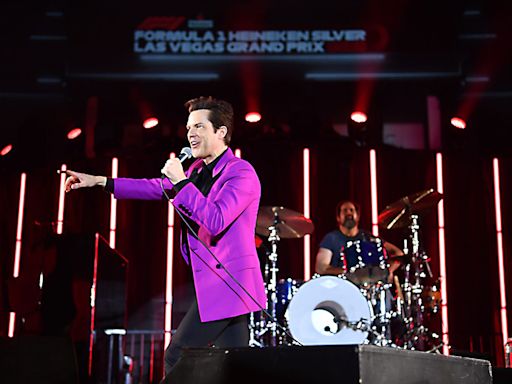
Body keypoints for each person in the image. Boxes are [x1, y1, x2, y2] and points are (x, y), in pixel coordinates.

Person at [64, 96, 267, 378]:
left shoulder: (241, 173)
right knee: (232, 367)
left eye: (199, 127)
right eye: (188, 128)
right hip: (214, 282)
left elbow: (216, 220)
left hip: (230, 283)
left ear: (221, 132)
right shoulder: (196, 170)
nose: (190, 134)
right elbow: (155, 187)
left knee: (177, 355)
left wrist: (181, 182)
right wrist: (101, 182)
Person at [315, 200, 403, 283]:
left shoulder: (367, 237)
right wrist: (351, 273)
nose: (348, 213)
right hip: (342, 285)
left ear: (358, 216)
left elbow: (398, 253)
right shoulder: (331, 238)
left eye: (351, 210)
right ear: (338, 217)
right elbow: (321, 267)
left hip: (369, 285)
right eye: (345, 211)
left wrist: (387, 271)